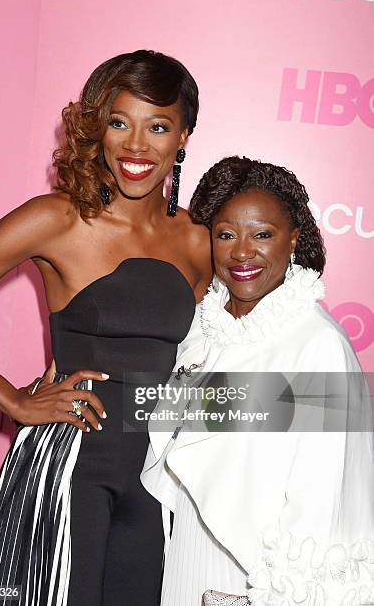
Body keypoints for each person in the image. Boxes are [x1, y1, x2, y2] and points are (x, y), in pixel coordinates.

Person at [0, 50, 212, 605]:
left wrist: (323, 407)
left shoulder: (199, 241)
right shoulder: (58, 220)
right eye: (119, 123)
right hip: (69, 469)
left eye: (158, 126)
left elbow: (209, 361)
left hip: (157, 480)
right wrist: (13, 401)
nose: (136, 146)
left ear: (183, 135)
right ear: (99, 128)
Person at [141, 156, 374, 606]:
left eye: (262, 235)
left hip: (256, 579)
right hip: (186, 554)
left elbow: (322, 499)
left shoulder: (316, 345)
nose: (241, 252)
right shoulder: (202, 331)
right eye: (226, 235)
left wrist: (271, 597)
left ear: (294, 240)